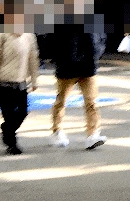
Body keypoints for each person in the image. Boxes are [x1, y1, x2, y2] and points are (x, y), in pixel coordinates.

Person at [44, 19, 106, 150]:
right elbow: (50, 39)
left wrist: (97, 53)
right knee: (61, 100)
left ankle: (93, 134)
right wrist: (60, 57)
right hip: (67, 66)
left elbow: (102, 35)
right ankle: (57, 131)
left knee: (92, 101)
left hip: (89, 66)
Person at [0, 19, 39, 155]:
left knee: (22, 112)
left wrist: (34, 80)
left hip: (21, 84)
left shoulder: (29, 37)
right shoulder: (1, 36)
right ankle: (12, 145)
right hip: (3, 84)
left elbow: (33, 60)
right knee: (9, 115)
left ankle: (6, 129)